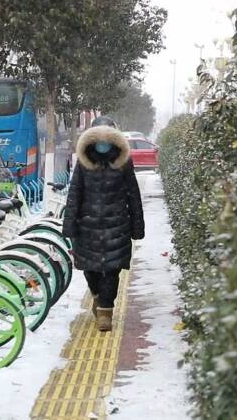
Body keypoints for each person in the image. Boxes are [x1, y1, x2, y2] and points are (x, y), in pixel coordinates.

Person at [62, 116, 144, 332]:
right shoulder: (83, 162)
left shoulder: (123, 162)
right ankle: (98, 298)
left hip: (116, 227)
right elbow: (74, 194)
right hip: (87, 228)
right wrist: (69, 225)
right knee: (91, 270)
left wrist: (137, 227)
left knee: (111, 270)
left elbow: (133, 194)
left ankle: (106, 311)